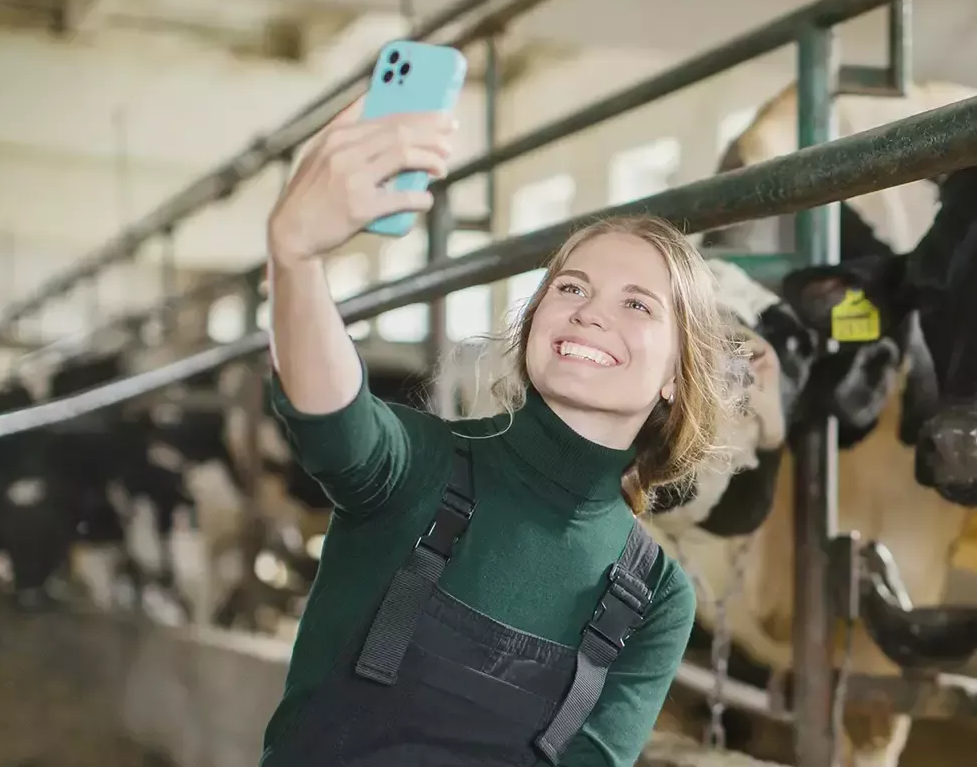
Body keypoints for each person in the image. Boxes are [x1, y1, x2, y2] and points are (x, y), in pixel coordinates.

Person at [256, 93, 741, 766]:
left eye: (637, 305)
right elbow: (334, 417)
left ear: (675, 375)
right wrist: (297, 260)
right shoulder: (420, 465)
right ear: (535, 321)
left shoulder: (653, 596)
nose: (591, 313)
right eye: (571, 288)